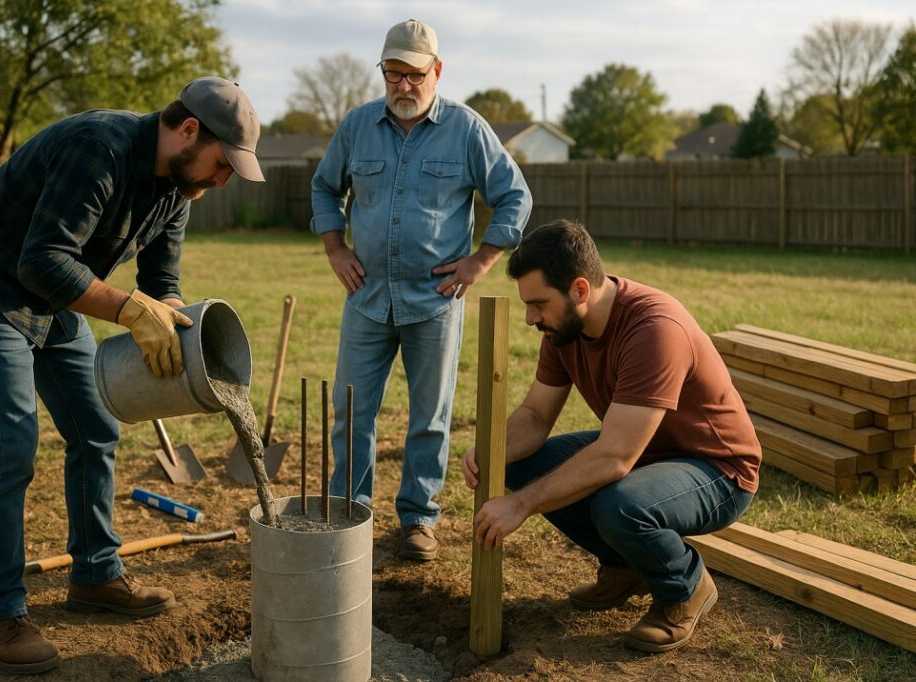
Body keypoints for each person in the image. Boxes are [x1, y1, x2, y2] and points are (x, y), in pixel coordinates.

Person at [0, 76, 264, 673]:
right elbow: (41, 259)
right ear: (189, 131)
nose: (222, 181)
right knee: (12, 446)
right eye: (222, 165)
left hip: (56, 299)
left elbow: (163, 286)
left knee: (96, 428)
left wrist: (183, 337)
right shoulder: (101, 147)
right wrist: (129, 309)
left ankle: (94, 575)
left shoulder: (175, 192)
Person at [463, 219, 761, 652]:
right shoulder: (564, 328)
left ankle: (685, 587)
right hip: (646, 453)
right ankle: (626, 566)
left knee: (618, 505)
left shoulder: (654, 328)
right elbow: (535, 413)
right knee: (521, 464)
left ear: (580, 290)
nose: (530, 318)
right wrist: (490, 452)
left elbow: (616, 458)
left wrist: (520, 505)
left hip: (717, 470)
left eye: (539, 304)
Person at [311, 18, 532, 561]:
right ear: (383, 72)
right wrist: (336, 249)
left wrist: (482, 260)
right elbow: (323, 186)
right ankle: (350, 515)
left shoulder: (467, 129)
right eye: (393, 74)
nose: (403, 86)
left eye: (414, 74)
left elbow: (514, 197)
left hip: (435, 302)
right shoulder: (357, 126)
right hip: (366, 299)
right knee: (352, 411)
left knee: (429, 417)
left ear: (437, 71)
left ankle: (418, 519)